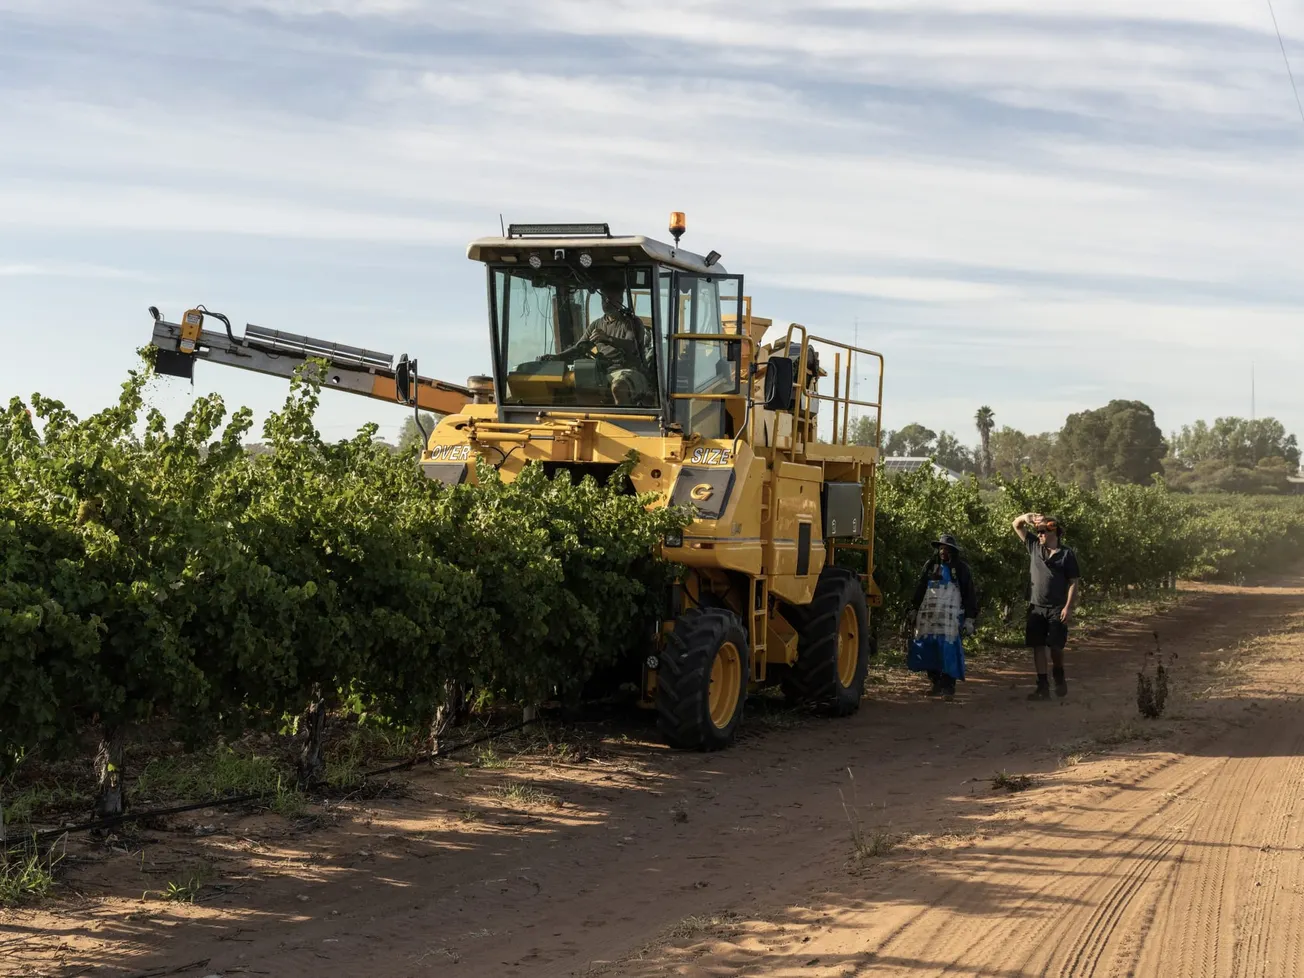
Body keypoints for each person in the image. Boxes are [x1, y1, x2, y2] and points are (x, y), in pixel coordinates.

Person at [541, 282, 652, 405]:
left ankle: (623, 415)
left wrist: (608, 339)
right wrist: (556, 357)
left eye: (609, 298)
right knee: (571, 388)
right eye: (603, 299)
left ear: (621, 299)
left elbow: (632, 346)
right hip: (602, 372)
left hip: (631, 370)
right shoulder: (596, 325)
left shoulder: (632, 322)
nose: (605, 302)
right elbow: (579, 348)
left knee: (619, 387)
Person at [1012, 512, 1080, 700]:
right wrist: (1026, 517)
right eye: (1038, 531)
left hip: (1057, 607)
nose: (1039, 534)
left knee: (1056, 647)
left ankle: (1058, 672)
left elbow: (1074, 582)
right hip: (1037, 606)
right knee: (1038, 645)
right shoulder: (1034, 545)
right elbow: (1016, 525)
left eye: (1043, 531)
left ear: (1054, 531)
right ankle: (1042, 686)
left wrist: (1068, 607)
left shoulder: (1066, 554)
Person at [905, 533, 978, 700]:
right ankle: (935, 683)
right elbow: (921, 587)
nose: (943, 551)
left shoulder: (961, 569)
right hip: (929, 617)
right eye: (941, 548)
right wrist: (914, 608)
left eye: (947, 549)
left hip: (950, 618)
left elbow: (969, 594)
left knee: (948, 650)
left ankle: (948, 687)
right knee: (929, 649)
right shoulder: (931, 566)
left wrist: (969, 618)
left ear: (953, 551)